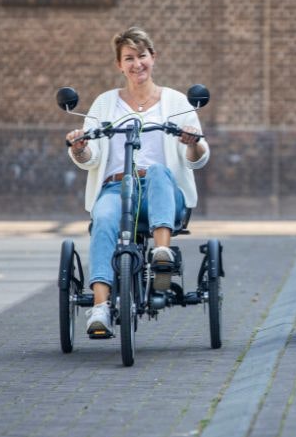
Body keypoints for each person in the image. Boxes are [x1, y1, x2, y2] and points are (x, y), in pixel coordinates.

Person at [65, 26, 210, 337]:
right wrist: (80, 146)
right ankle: (101, 308)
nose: (137, 64)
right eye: (129, 58)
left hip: (164, 193)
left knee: (157, 170)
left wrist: (191, 142)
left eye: (142, 56)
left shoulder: (177, 102)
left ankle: (161, 255)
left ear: (153, 58)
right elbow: (90, 158)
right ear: (120, 65)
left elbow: (197, 158)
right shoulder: (105, 104)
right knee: (102, 217)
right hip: (117, 187)